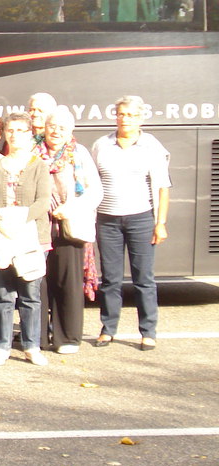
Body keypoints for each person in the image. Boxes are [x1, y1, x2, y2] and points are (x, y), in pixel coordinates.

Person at [91, 95, 170, 351]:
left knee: (143, 279)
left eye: (132, 115)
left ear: (141, 118)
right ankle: (108, 329)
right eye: (122, 114)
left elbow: (162, 187)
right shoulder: (101, 145)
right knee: (110, 280)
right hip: (107, 221)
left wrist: (160, 223)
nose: (126, 119)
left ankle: (148, 332)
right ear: (115, 116)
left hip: (141, 219)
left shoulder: (151, 146)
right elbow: (91, 182)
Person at [0, 113, 53, 366]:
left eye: (20, 130)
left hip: (31, 236)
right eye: (10, 130)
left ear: (30, 134)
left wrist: (20, 221)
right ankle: (2, 346)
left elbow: (43, 201)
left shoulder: (39, 166)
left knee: (30, 294)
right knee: (3, 294)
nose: (14, 135)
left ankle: (31, 346)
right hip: (2, 237)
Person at [38, 108, 102, 354]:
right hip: (39, 227)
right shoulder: (33, 152)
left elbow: (94, 191)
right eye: (52, 126)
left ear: (70, 131)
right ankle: (38, 336)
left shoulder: (79, 153)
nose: (56, 131)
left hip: (69, 225)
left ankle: (67, 338)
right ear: (45, 127)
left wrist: (71, 208)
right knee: (39, 282)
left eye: (62, 127)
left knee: (67, 282)